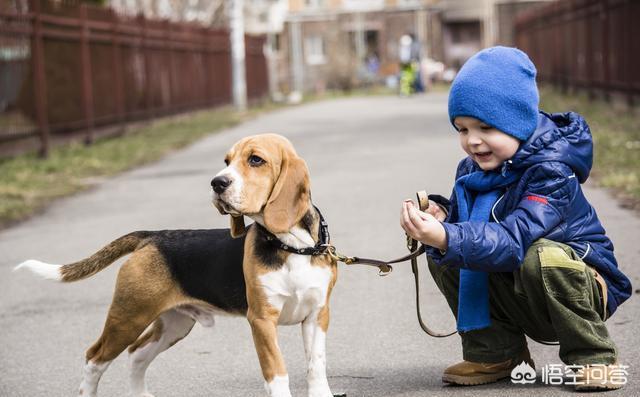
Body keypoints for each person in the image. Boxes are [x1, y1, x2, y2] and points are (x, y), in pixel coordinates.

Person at [399, 46, 632, 391]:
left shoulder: (551, 172)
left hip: (579, 288)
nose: (472, 141)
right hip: (521, 286)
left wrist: (450, 236)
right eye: (462, 129)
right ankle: (496, 353)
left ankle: (594, 356)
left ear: (519, 123)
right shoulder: (472, 169)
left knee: (541, 256)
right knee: (447, 254)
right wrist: (443, 218)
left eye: (485, 127)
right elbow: (472, 233)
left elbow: (512, 239)